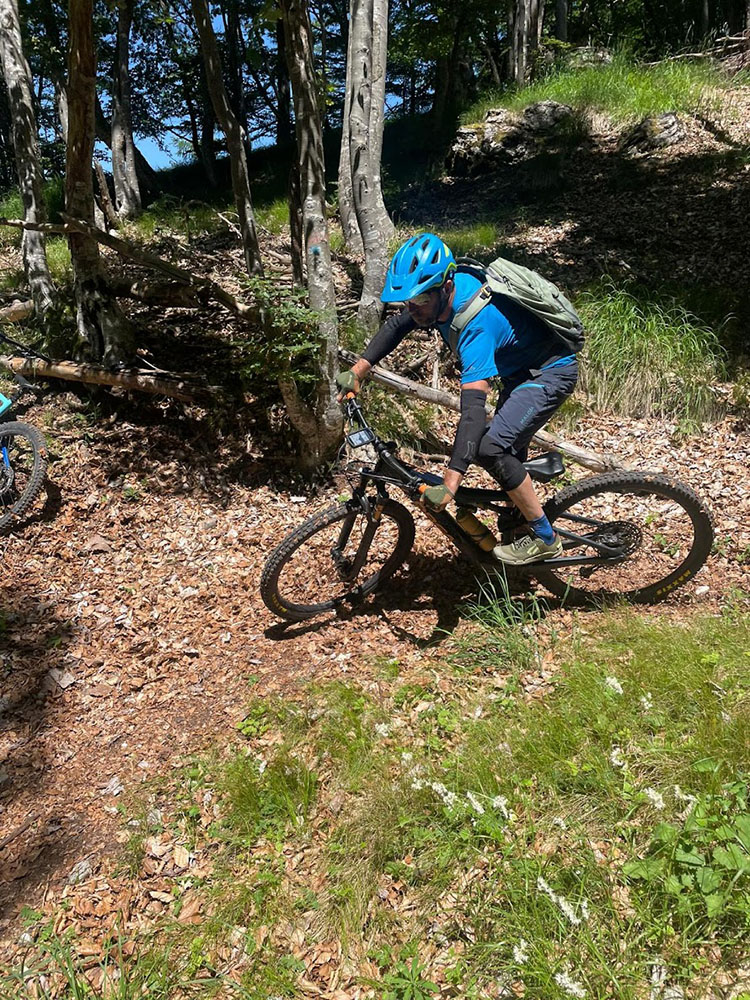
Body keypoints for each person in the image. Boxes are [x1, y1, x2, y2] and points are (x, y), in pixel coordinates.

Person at [335, 232, 578, 565]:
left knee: (490, 448)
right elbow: (396, 326)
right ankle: (518, 521)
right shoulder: (438, 299)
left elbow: (473, 412)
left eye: (420, 301)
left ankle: (544, 537)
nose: (413, 309)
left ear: (445, 287)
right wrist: (358, 371)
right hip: (520, 373)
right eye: (409, 301)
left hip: (549, 374)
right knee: (496, 453)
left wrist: (450, 483)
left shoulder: (476, 324)